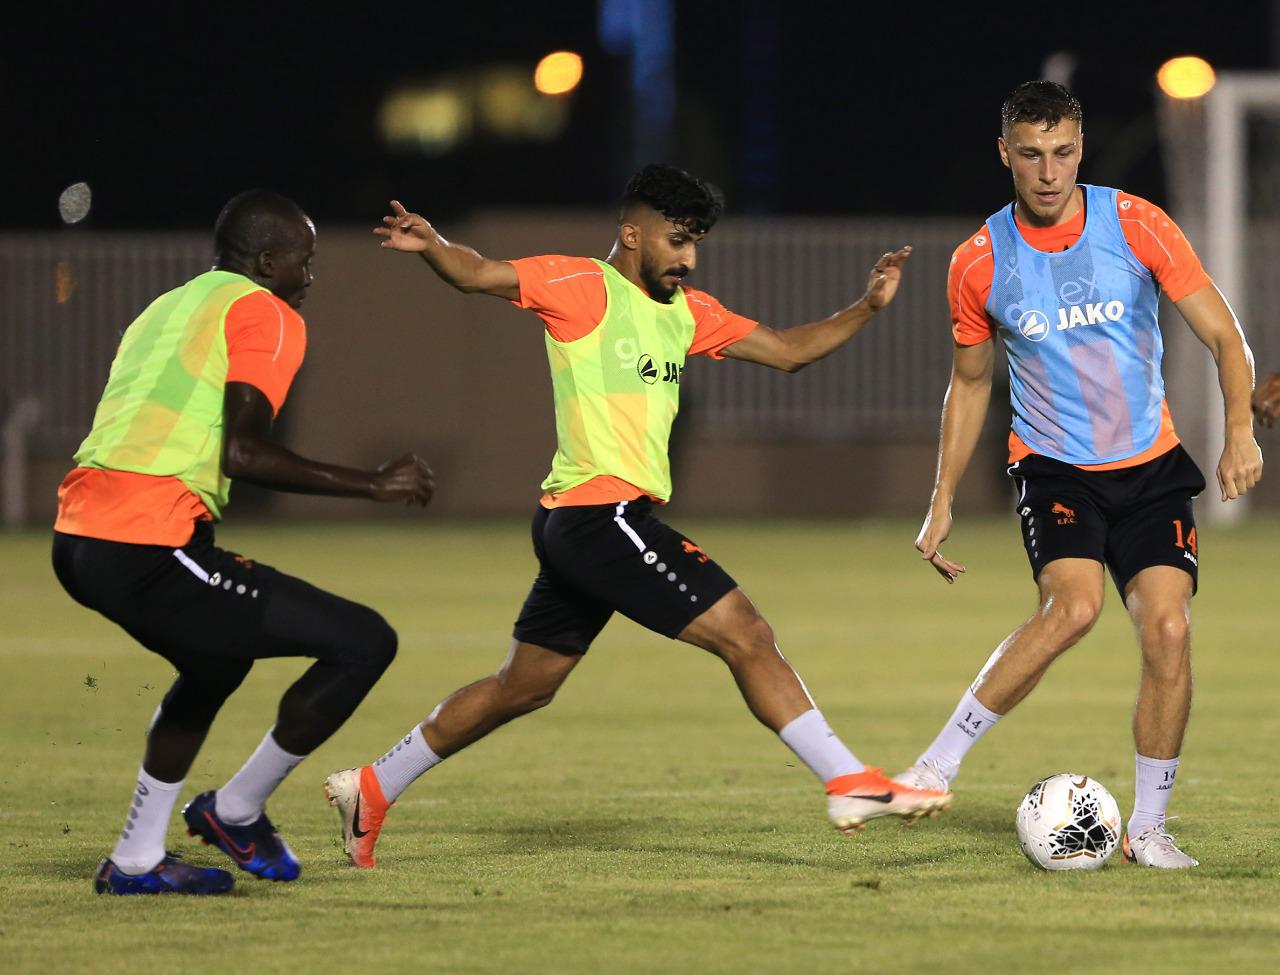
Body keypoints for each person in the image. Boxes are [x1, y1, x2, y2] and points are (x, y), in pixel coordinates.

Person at [321, 163, 950, 868]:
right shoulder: (582, 285)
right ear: (632, 233)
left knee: (521, 688)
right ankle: (848, 779)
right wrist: (434, 242)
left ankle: (370, 786)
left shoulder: (688, 313)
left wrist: (865, 307)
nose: (688, 256)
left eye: (697, 243)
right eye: (677, 239)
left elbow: (786, 351)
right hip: (600, 517)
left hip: (585, 524)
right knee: (747, 631)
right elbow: (479, 274)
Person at [900, 82, 1263, 868]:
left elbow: (1225, 337)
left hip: (1152, 465)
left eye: (1062, 152)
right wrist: (941, 499)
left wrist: (1239, 429)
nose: (1047, 171)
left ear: (1081, 148)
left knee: (1169, 629)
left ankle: (1150, 828)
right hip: (1054, 465)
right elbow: (969, 384)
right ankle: (934, 768)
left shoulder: (1137, 225)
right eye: (1030, 153)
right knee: (1074, 608)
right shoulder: (979, 261)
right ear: (1005, 153)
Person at [52, 190, 435, 895]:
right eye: (305, 261)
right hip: (144, 541)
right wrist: (372, 484)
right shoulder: (267, 310)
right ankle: (236, 809)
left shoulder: (164, 308)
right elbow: (245, 454)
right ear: (267, 261)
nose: (310, 276)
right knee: (363, 641)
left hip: (78, 537)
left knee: (213, 663)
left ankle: (138, 858)